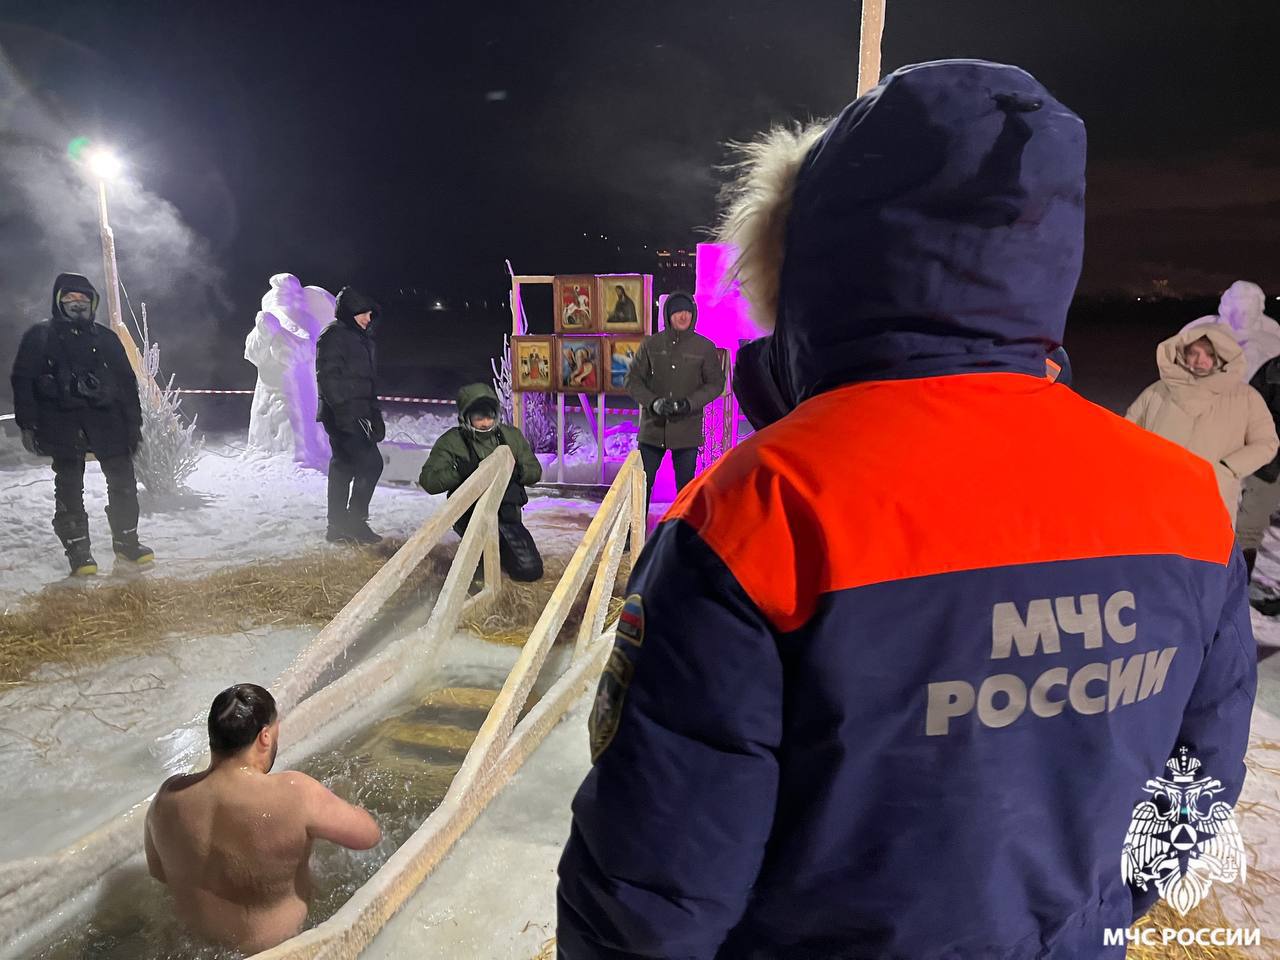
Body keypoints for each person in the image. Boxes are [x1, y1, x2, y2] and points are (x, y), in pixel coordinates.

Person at [557, 61, 1257, 959]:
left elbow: (654, 881)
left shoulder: (761, 510)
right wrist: (1095, 918)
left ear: (809, 262)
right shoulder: (1183, 496)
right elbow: (1200, 778)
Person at [144, 684, 380, 954]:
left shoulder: (167, 798)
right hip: (283, 950)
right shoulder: (294, 792)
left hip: (195, 950)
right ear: (265, 737)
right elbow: (368, 836)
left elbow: (158, 872)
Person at [10, 272, 152, 576]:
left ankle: (127, 542)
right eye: (70, 298)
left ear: (93, 302)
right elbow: (23, 381)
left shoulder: (106, 338)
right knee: (69, 487)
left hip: (108, 423)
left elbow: (127, 384)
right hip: (62, 424)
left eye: (83, 298)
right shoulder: (39, 337)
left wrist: (133, 424)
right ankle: (78, 552)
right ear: (58, 302)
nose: (77, 303)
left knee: (124, 484)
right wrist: (28, 424)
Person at [1126, 325, 1277, 526]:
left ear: (1222, 356)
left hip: (1212, 502)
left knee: (1205, 546)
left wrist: (1227, 468)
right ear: (1182, 354)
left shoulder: (1245, 397)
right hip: (1157, 502)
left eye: (1209, 354)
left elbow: (1266, 443)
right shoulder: (1157, 392)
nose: (1200, 360)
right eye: (1193, 353)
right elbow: (1125, 436)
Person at [418, 383, 543, 581]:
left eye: (489, 417)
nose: (485, 423)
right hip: (471, 517)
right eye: (479, 418)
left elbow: (535, 470)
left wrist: (516, 472)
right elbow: (428, 481)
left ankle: (502, 553)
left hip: (507, 515)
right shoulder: (452, 442)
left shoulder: (511, 436)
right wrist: (459, 473)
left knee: (529, 571)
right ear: (466, 417)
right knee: (476, 576)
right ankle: (479, 558)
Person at [624, 292, 725, 508]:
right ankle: (635, 528)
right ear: (668, 315)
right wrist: (653, 402)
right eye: (678, 311)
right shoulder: (651, 344)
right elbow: (632, 380)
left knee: (686, 490)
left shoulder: (704, 347)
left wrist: (689, 403)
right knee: (641, 486)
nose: (683, 316)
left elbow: (716, 383)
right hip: (653, 429)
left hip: (687, 430)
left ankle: (681, 528)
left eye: (687, 311)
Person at [316, 286, 385, 545]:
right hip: (341, 416)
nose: (368, 318)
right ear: (349, 312)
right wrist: (345, 416)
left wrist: (375, 415)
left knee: (344, 467)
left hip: (359, 414)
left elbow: (368, 383)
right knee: (370, 464)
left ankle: (338, 526)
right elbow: (328, 379)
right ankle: (353, 522)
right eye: (363, 313)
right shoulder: (334, 335)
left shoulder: (362, 339)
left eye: (370, 314)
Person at [1237, 351, 1280, 606]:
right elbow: (1249, 412)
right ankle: (1236, 591)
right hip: (1270, 464)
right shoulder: (1273, 370)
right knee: (1248, 528)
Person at [1181, 280, 1280, 380]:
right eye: (1240, 311)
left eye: (1251, 310)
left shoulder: (1271, 332)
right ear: (1229, 309)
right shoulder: (1203, 327)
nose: (1246, 316)